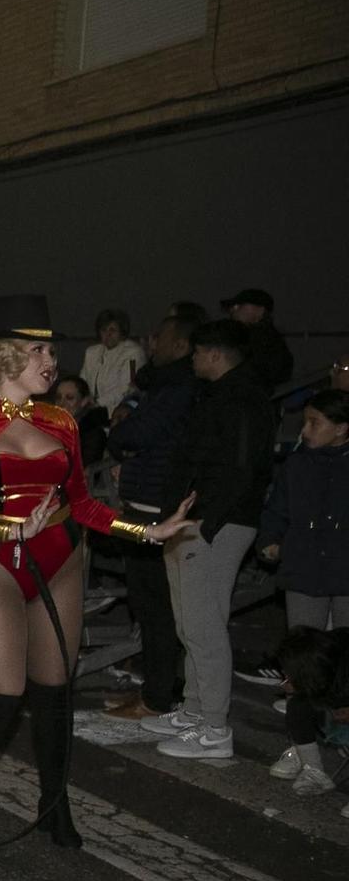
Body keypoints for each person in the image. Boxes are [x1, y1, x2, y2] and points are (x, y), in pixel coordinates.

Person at [0, 295, 195, 856]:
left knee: (55, 694)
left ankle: (55, 805)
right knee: (3, 697)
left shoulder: (60, 421)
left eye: (51, 348)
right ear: (4, 358)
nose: (50, 360)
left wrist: (142, 533)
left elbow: (82, 504)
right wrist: (9, 530)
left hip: (63, 559)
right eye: (36, 349)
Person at [141, 320, 275, 761]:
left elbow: (239, 467)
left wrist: (208, 521)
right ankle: (196, 711)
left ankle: (215, 727)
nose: (192, 359)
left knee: (204, 626)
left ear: (215, 355)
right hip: (193, 519)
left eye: (197, 352)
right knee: (189, 624)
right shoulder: (218, 395)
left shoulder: (243, 399)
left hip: (214, 523)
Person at [104, 313, 202, 718]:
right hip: (145, 503)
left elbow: (132, 433)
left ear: (180, 345)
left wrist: (126, 427)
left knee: (159, 609)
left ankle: (159, 696)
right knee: (150, 607)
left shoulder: (178, 389)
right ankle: (158, 691)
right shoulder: (160, 386)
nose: (151, 342)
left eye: (158, 336)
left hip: (158, 507)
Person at [257, 389, 348, 631]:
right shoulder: (297, 465)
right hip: (303, 568)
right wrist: (269, 541)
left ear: (341, 428)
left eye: (314, 423)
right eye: (305, 422)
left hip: (343, 566)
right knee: (303, 647)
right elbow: (277, 509)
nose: (305, 431)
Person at [268, 627, 348, 800]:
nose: (285, 677)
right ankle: (314, 771)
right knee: (298, 704)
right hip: (331, 686)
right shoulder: (320, 658)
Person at [221, 288, 293, 390]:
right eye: (233, 306)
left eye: (239, 305)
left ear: (260, 310)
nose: (233, 309)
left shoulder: (264, 338)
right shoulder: (251, 336)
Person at [80, 310, 145, 413]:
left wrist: (97, 403)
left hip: (117, 411)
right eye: (104, 330)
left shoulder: (133, 352)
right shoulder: (91, 352)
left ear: (121, 331)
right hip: (91, 409)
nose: (108, 334)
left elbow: (125, 389)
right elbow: (82, 382)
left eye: (112, 330)